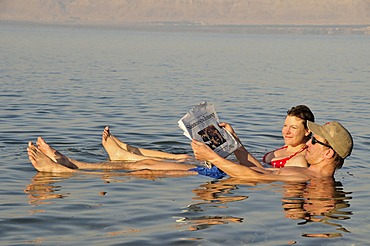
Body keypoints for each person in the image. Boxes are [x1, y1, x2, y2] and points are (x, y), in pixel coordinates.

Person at [191, 121, 353, 182]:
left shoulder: (308, 177)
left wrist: (211, 156)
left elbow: (254, 177)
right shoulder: (307, 172)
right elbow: (262, 171)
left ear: (328, 153)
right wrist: (235, 142)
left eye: (314, 141)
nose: (308, 143)